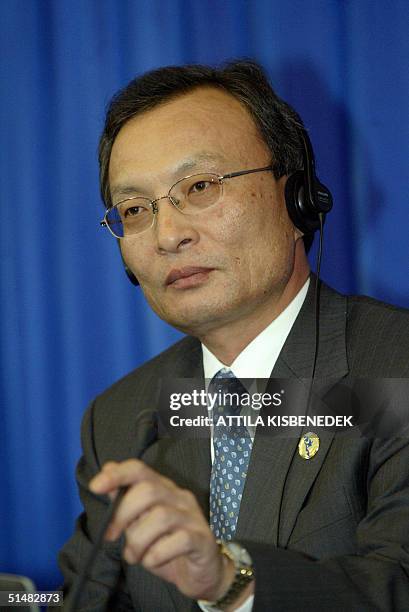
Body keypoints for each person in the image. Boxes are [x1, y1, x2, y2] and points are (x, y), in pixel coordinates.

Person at [57, 60, 409, 611]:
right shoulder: (122, 419)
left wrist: (231, 581)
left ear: (297, 200)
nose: (169, 234)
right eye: (134, 210)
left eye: (199, 186)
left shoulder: (396, 369)